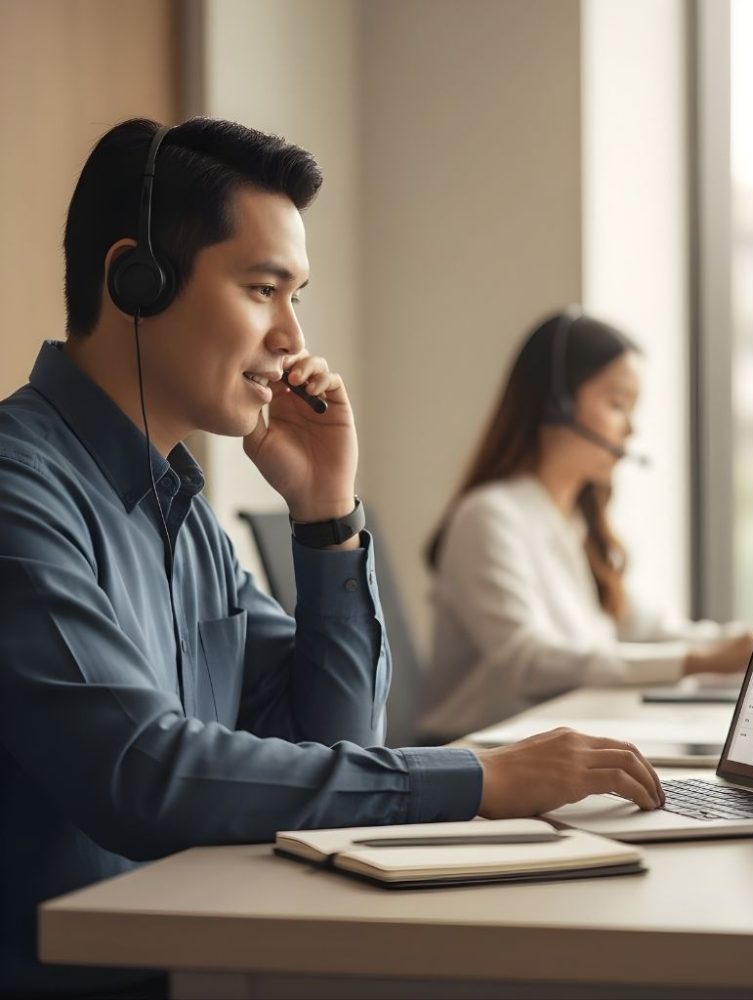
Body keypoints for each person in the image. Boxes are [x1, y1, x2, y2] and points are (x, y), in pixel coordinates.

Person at [0, 119, 665, 999]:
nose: (292, 337)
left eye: (297, 296)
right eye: (262, 290)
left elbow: (338, 741)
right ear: (137, 280)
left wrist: (326, 519)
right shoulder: (19, 488)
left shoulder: (184, 519)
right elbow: (143, 773)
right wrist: (477, 778)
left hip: (202, 958)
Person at [423, 310, 753, 740]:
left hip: (553, 742)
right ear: (556, 404)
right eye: (617, 404)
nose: (630, 428)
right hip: (480, 757)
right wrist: (696, 662)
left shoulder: (574, 523)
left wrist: (744, 643)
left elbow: (644, 628)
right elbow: (528, 662)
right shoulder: (489, 516)